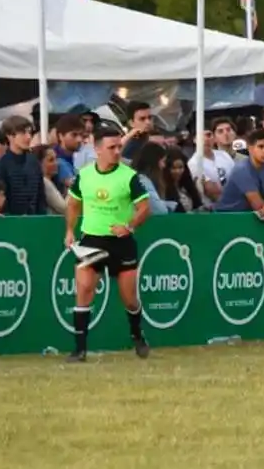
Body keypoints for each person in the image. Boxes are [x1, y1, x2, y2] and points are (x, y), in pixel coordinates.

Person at [63, 128, 152, 362]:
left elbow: (145, 208)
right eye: (111, 148)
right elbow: (73, 204)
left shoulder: (128, 176)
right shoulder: (84, 175)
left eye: (119, 147)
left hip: (121, 243)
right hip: (91, 240)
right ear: (98, 149)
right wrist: (70, 230)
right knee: (83, 290)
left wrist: (130, 226)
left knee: (129, 298)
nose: (116, 152)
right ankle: (79, 349)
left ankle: (137, 335)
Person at [213, 129, 264, 215]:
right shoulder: (241, 169)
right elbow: (258, 205)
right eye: (261, 147)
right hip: (225, 216)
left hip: (249, 217)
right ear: (250, 149)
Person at [0, 115, 48, 215]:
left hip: (35, 223)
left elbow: (41, 198)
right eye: (23, 133)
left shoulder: (34, 162)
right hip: (10, 224)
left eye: (29, 132)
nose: (28, 137)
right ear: (10, 136)